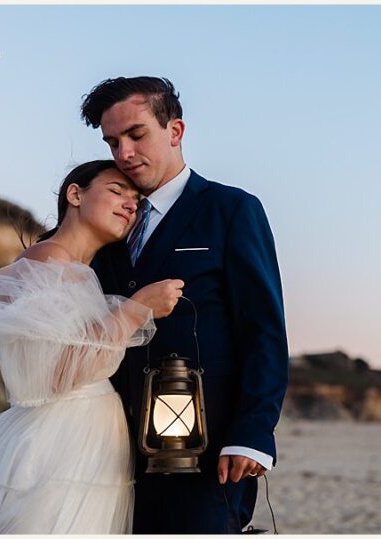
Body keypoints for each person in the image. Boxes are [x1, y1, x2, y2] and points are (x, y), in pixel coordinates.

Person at [0, 160, 184, 534]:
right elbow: (57, 374)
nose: (130, 204)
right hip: (61, 440)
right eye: (116, 191)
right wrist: (137, 309)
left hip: (85, 436)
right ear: (75, 194)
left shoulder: (76, 270)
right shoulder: (49, 262)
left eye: (137, 199)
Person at [81, 76, 288, 534]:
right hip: (111, 455)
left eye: (137, 135)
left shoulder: (231, 210)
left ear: (175, 131)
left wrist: (253, 434)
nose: (124, 154)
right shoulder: (108, 225)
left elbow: (264, 332)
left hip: (206, 454)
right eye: (113, 142)